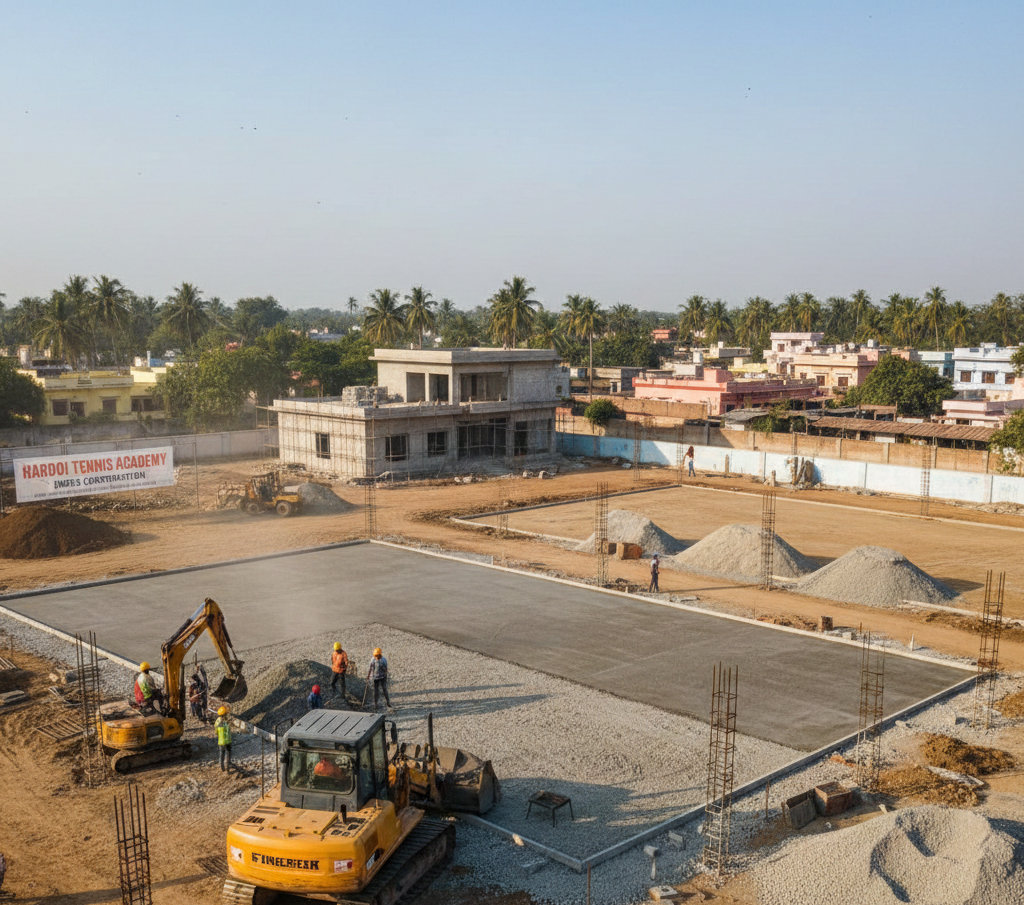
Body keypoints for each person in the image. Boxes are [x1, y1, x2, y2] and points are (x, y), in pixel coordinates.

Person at [367, 647, 391, 712]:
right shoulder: (372, 660)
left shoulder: (383, 660)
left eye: (378, 655)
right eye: (376, 655)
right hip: (375, 678)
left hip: (382, 677)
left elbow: (386, 669)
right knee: (375, 691)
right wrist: (368, 676)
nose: (377, 657)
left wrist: (386, 676)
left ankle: (388, 702)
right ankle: (375, 703)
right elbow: (370, 668)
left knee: (384, 689)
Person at [215, 706, 232, 772]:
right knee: (228, 754)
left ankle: (222, 767)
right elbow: (229, 731)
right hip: (227, 741)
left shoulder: (217, 721)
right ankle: (228, 768)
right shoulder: (226, 721)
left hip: (220, 741)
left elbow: (216, 732)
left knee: (221, 754)